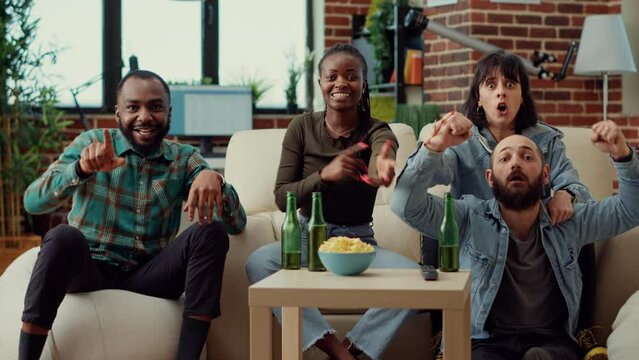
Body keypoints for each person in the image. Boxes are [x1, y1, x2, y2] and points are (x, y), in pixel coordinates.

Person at [18, 70, 246, 360]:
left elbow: (237, 224)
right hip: (90, 269)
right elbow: (33, 202)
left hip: (150, 275)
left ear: (168, 112)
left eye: (155, 106)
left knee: (210, 232)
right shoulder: (91, 144)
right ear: (117, 113)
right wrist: (80, 170)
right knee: (62, 236)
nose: (144, 116)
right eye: (133, 107)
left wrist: (215, 179)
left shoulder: (184, 158)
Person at [391, 119, 639, 359]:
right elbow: (405, 205)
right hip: (485, 342)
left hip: (552, 343)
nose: (516, 163)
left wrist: (623, 155)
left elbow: (631, 209)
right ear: (490, 177)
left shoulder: (569, 221)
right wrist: (435, 146)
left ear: (545, 175)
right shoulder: (468, 216)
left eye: (527, 156)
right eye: (505, 158)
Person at [245, 44, 418, 360]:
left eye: (352, 76)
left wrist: (385, 163)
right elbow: (282, 197)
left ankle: (354, 347)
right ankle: (335, 349)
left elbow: (385, 148)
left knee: (417, 281)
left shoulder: (376, 128)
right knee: (259, 261)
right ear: (320, 83)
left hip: (358, 244)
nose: (341, 83)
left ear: (363, 84)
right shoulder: (302, 127)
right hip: (306, 237)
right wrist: (325, 175)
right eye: (332, 76)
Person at [419, 51, 596, 350]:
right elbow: (425, 179)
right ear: (478, 98)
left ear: (522, 96)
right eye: (490, 84)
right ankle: (442, 337)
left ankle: (584, 333)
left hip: (533, 239)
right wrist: (440, 141)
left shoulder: (547, 140)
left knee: (581, 226)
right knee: (435, 226)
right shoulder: (462, 141)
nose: (501, 90)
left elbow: (577, 187)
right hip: (477, 241)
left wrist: (566, 194)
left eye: (510, 84)